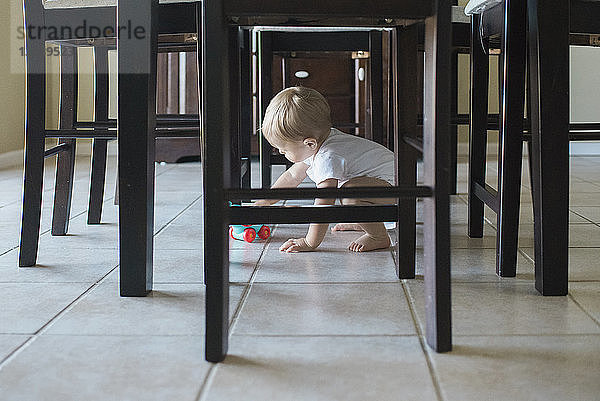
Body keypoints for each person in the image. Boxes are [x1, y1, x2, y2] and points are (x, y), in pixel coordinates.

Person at [256, 86, 396, 253]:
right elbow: (292, 176)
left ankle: (378, 236)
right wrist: (268, 200)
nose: (280, 152)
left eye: (284, 149)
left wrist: (310, 242)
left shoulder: (328, 157)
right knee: (351, 193)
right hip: (380, 184)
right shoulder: (319, 141)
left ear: (309, 143)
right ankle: (362, 218)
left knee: (350, 194)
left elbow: (323, 203)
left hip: (396, 188)